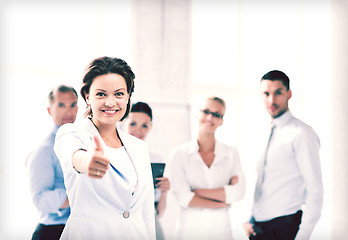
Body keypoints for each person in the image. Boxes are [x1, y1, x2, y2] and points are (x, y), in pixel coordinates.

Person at [54, 57, 155, 239]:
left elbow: (145, 213)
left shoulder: (138, 147)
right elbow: (73, 156)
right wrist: (87, 162)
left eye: (119, 94)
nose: (110, 103)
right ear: (87, 96)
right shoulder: (71, 133)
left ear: (128, 96)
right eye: (101, 94)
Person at [243, 70, 324, 240]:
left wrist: (303, 236)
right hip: (258, 228)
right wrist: (249, 218)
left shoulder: (302, 133)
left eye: (278, 93)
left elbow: (315, 190)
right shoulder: (262, 132)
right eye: (266, 93)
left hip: (285, 228)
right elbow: (261, 181)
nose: (271, 100)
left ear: (289, 94)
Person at [169, 96, 245, 240]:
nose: (210, 117)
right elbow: (183, 197)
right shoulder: (179, 154)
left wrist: (197, 192)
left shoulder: (231, 153)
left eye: (217, 114)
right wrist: (222, 202)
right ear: (198, 114)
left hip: (221, 232)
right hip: (189, 233)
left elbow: (238, 193)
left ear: (221, 121)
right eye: (206, 111)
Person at [26, 84, 78, 240]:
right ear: (50, 110)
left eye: (73, 105)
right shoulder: (44, 150)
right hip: (52, 232)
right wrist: (78, 195)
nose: (68, 111)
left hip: (76, 230)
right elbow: (40, 200)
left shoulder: (84, 143)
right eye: (61, 105)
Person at [123, 101, 170, 240]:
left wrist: (164, 192)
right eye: (133, 124)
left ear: (150, 127)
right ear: (123, 123)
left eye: (145, 125)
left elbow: (159, 212)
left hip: (150, 223)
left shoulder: (155, 159)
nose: (139, 130)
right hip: (124, 223)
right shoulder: (113, 156)